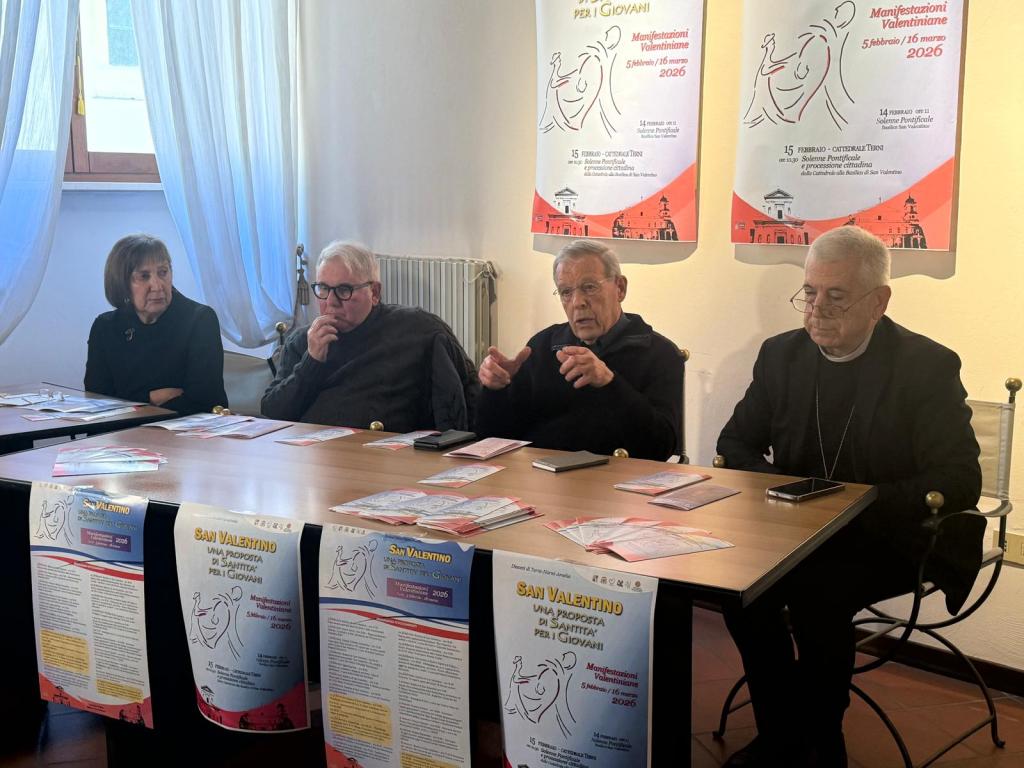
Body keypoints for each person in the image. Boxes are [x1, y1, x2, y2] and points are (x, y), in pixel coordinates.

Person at [716, 226, 982, 767]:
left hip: (889, 533)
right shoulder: (781, 356)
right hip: (794, 530)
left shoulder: (926, 366)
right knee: (739, 591)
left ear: (879, 300)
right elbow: (734, 442)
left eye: (835, 296)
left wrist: (852, 504)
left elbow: (959, 478)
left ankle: (819, 739)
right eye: (810, 293)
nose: (816, 309)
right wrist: (787, 494)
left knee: (818, 592)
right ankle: (780, 731)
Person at [476, 239, 681, 460]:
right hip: (543, 482)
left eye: (589, 287)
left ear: (620, 288)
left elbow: (661, 447)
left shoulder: (659, 354)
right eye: (566, 292)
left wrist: (610, 383)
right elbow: (493, 438)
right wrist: (496, 390)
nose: (577, 302)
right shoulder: (544, 346)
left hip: (617, 486)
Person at [261, 240, 478, 431]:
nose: (331, 301)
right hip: (317, 462)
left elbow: (465, 403)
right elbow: (274, 413)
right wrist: (312, 361)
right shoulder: (303, 341)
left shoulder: (420, 331)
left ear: (374, 293)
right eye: (324, 289)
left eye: (344, 290)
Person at [85, 234, 227, 414]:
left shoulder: (199, 319)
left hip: (188, 433)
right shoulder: (105, 326)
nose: (157, 285)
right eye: (144, 276)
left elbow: (204, 398)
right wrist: (151, 398)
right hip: (121, 432)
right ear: (122, 282)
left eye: (163, 272)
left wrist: (130, 400)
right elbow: (97, 398)